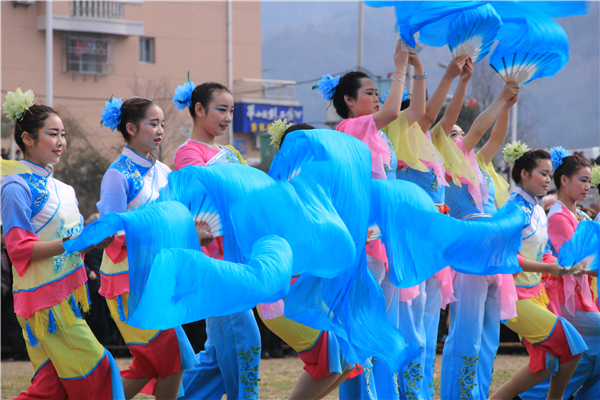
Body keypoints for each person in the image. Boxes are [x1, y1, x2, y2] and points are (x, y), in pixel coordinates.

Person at [1, 88, 124, 399]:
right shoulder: (15, 187)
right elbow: (19, 249)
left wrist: (94, 241)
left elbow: (73, 243)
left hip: (63, 297)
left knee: (49, 391)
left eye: (63, 134)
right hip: (44, 303)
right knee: (100, 374)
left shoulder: (63, 188)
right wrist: (74, 242)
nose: (61, 142)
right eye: (52, 134)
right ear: (27, 138)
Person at [98, 96, 194, 400]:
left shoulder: (164, 171)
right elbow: (111, 231)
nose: (160, 130)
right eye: (153, 123)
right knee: (172, 360)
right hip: (128, 281)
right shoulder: (117, 175)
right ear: (131, 128)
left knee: (162, 362)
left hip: (156, 278)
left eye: (162, 124)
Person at [171, 80, 262, 400]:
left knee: (216, 354)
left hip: (235, 254)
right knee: (243, 338)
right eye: (221, 109)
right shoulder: (188, 152)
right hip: (213, 258)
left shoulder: (229, 153)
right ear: (199, 109)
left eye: (232, 110)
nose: (228, 117)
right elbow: (199, 197)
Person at [440, 82, 519, 400]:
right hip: (470, 248)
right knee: (466, 333)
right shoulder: (447, 165)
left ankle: (478, 394)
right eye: (453, 133)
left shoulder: (477, 165)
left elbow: (495, 139)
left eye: (460, 133)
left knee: (488, 338)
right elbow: (477, 130)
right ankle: (457, 395)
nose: (460, 136)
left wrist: (506, 108)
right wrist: (499, 98)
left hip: (493, 250)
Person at [490, 147, 587, 400]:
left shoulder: (537, 210)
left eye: (549, 174)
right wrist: (550, 268)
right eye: (543, 174)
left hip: (535, 295)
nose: (547, 180)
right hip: (514, 298)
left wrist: (567, 265)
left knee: (545, 364)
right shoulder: (513, 210)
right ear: (524, 174)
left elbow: (543, 253)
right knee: (573, 344)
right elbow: (509, 257)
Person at [520, 150, 599, 400]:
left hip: (584, 299)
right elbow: (573, 265)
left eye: (589, 181)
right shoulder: (557, 217)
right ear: (563, 180)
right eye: (582, 180)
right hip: (567, 302)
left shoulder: (580, 216)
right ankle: (530, 395)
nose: (587, 186)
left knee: (589, 353)